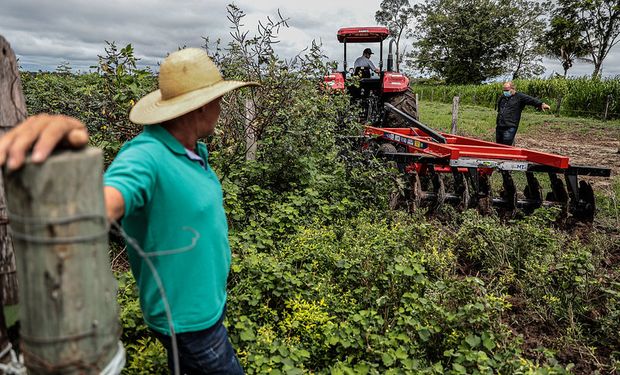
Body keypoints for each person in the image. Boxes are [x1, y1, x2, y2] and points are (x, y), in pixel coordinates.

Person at [0, 48, 258, 374]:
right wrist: (62, 162)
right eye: (218, 100)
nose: (221, 108)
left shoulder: (188, 152)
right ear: (202, 105)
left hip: (204, 308)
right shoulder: (146, 157)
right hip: (189, 324)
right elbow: (99, 206)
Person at [495, 81, 551, 145]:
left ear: (512, 89)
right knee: (498, 145)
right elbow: (499, 109)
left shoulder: (519, 97)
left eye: (507, 90)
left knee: (506, 145)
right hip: (500, 125)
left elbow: (531, 100)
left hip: (510, 125)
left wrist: (541, 104)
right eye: (504, 90)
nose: (505, 92)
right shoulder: (502, 97)